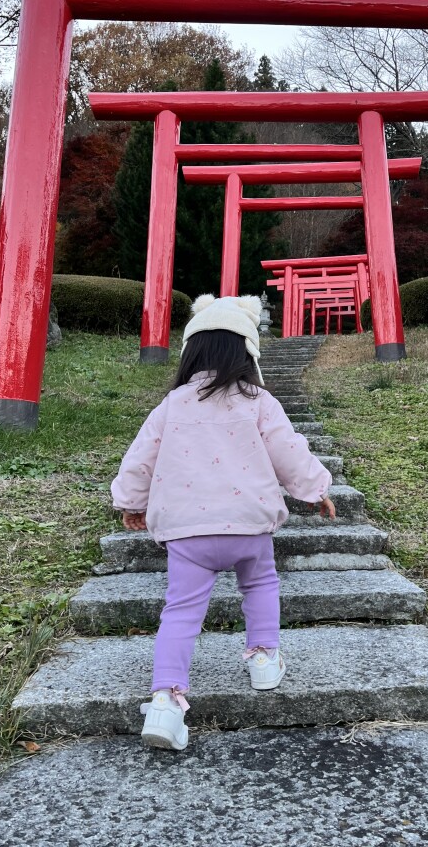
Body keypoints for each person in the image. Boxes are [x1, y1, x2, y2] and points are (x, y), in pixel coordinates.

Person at [111, 294, 336, 751]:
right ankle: (264, 660)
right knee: (259, 586)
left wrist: (131, 503)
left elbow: (141, 459)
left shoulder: (172, 403)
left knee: (180, 612)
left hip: (187, 534)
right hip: (249, 527)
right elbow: (288, 449)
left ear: (190, 353)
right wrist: (315, 489)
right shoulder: (259, 401)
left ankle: (165, 701)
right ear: (248, 354)